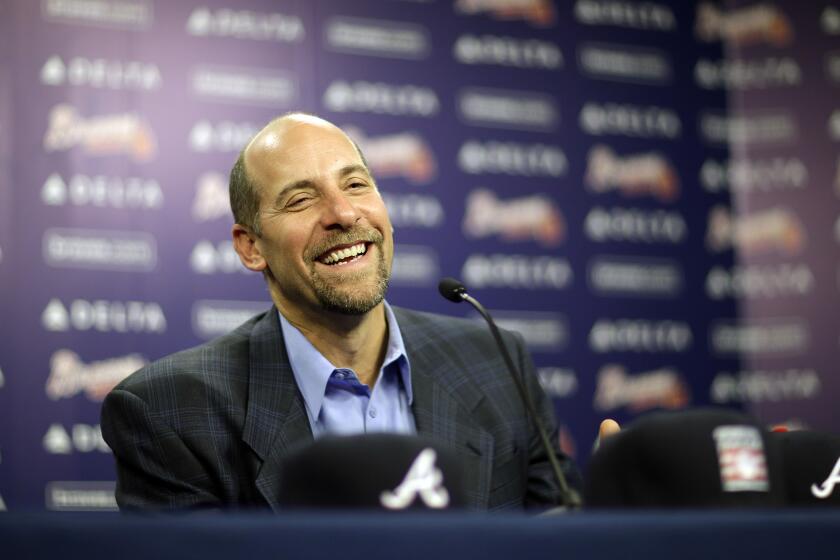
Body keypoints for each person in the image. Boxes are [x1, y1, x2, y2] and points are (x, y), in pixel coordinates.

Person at [101, 112, 582, 511]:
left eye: (355, 184)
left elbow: (550, 540)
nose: (343, 213)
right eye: (301, 199)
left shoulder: (496, 361)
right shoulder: (169, 411)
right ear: (250, 248)